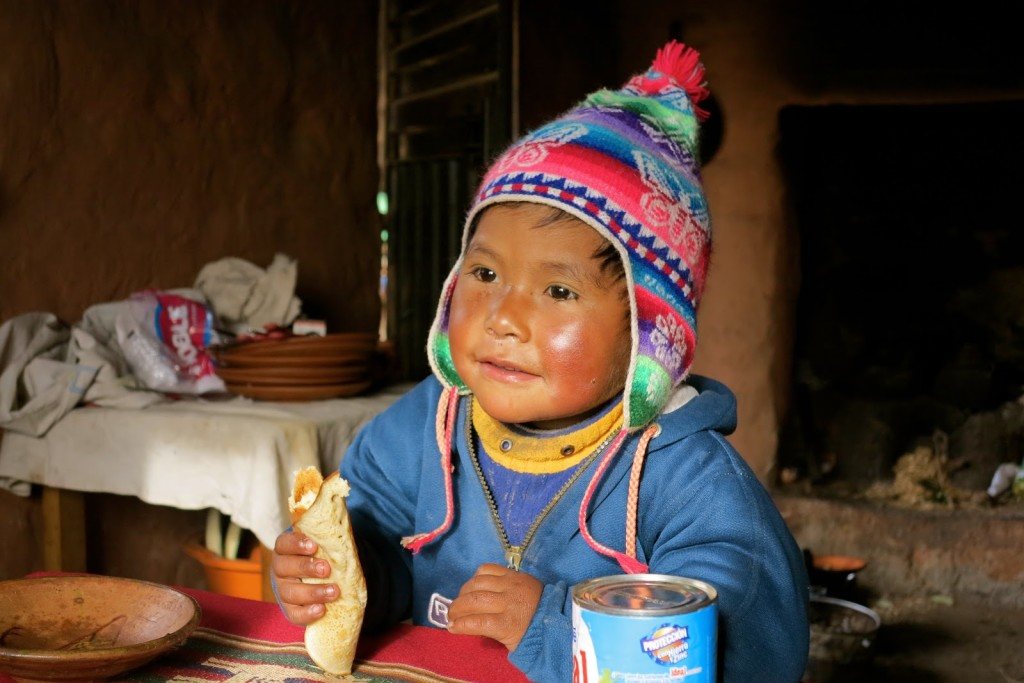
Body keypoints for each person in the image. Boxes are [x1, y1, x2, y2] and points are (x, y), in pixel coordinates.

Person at [272, 41, 809, 682]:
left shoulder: (687, 483)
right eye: (486, 272)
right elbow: (381, 556)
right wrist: (335, 579)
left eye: (558, 291)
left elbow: (742, 651)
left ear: (649, 332)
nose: (502, 317)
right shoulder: (426, 426)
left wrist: (557, 627)